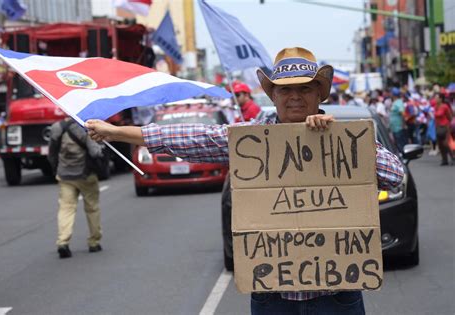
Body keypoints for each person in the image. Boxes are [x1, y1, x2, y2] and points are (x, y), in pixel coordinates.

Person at [85, 47, 404, 315]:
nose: (295, 97)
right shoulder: (250, 139)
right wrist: (114, 132)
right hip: (273, 297)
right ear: (273, 95)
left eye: (305, 88)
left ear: (319, 93)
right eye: (285, 89)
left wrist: (343, 141)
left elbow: (394, 176)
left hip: (337, 295)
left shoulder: (345, 136)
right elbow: (187, 138)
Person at [48, 117, 104, 259]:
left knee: (66, 209)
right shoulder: (86, 128)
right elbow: (95, 152)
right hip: (86, 175)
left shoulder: (56, 127)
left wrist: (56, 170)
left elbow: (51, 153)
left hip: (65, 175)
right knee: (92, 208)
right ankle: (94, 242)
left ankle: (63, 242)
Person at [433, 93, 453, 165]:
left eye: (437, 98)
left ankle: (453, 158)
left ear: (441, 99)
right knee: (440, 144)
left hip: (445, 127)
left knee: (446, 144)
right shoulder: (435, 107)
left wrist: (449, 127)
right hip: (438, 127)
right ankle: (444, 160)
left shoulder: (445, 106)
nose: (436, 99)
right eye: (435, 98)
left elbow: (450, 117)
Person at [388, 87, 407, 152]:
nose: (390, 94)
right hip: (394, 128)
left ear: (393, 94)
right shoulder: (395, 102)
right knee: (397, 144)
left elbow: (403, 113)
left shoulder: (399, 102)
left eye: (391, 93)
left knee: (400, 144)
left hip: (398, 127)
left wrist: (403, 124)